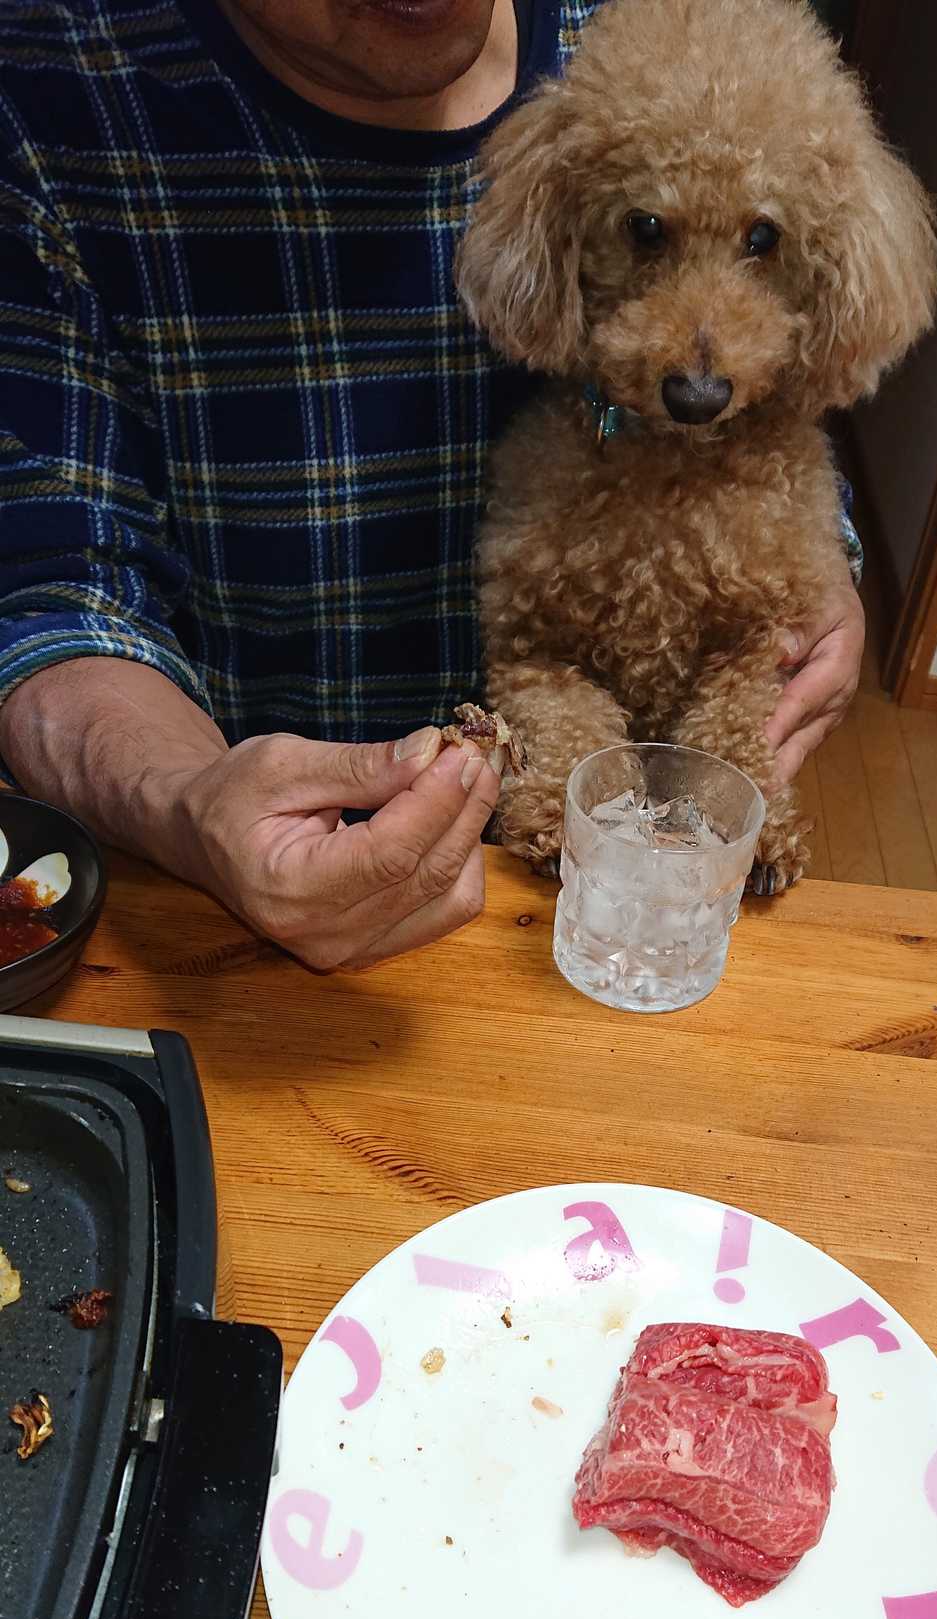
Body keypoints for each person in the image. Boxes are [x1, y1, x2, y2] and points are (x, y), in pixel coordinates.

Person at [0, 0, 864, 971]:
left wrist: (818, 567)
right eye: (648, 232)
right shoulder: (49, 98)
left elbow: (776, 391)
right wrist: (183, 800)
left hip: (622, 897)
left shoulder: (656, 32)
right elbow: (51, 589)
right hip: (236, 903)